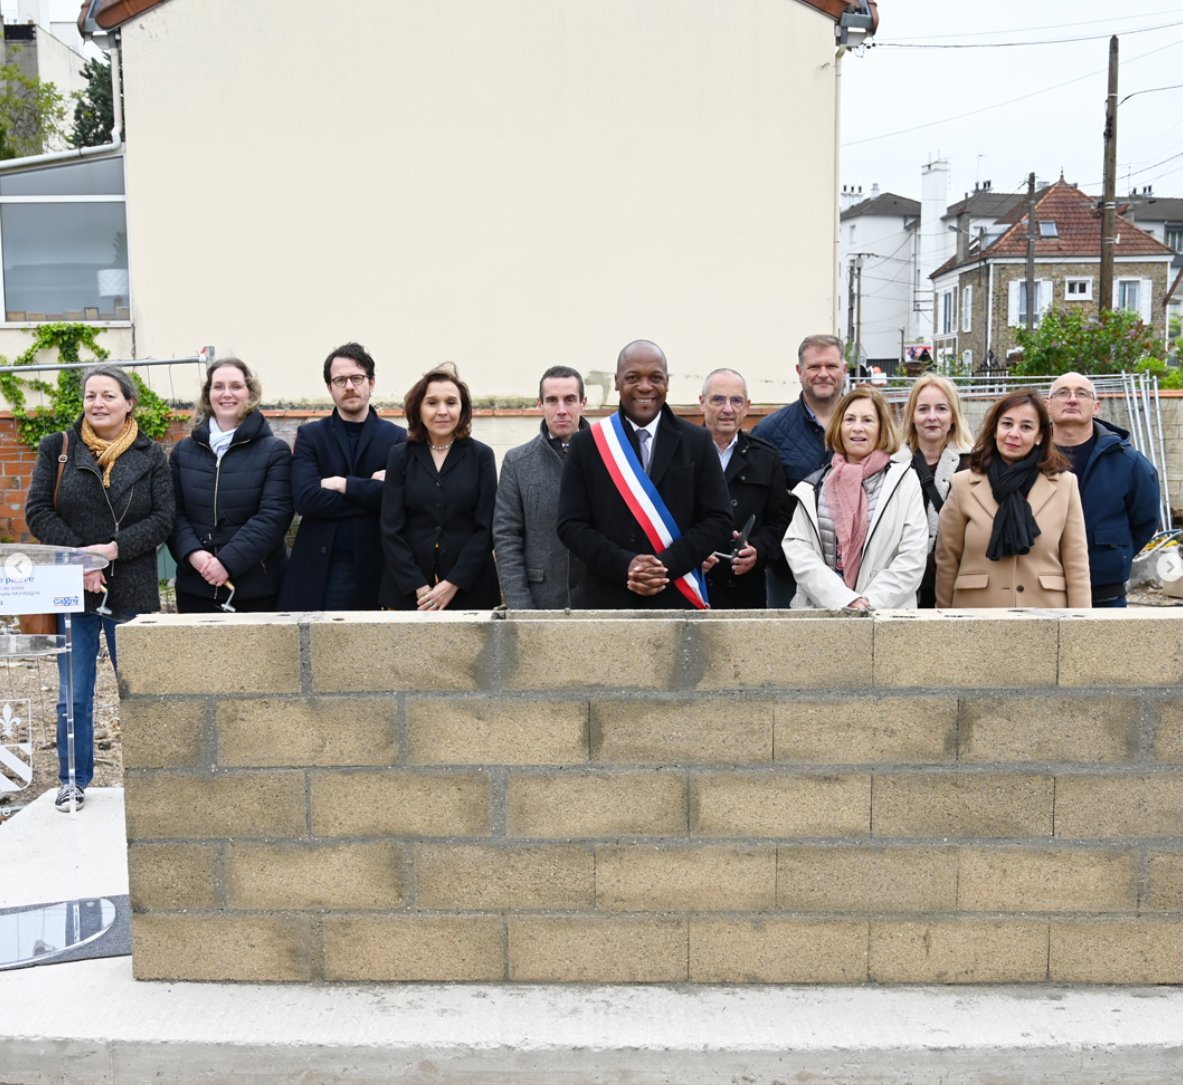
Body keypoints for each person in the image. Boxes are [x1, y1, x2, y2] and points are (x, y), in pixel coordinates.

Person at [25, 365, 174, 812]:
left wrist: (112, 550)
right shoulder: (60, 448)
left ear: (129, 402)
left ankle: (153, 781)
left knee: (142, 690)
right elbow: (37, 511)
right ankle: (73, 780)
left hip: (133, 587)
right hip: (73, 589)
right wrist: (82, 559)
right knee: (74, 693)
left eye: (108, 395)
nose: (98, 403)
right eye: (91, 395)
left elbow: (163, 520)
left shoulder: (151, 455)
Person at [556, 339, 732, 609]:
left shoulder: (697, 442)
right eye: (633, 377)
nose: (645, 387)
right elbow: (571, 525)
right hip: (609, 598)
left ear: (667, 382)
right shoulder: (587, 444)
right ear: (617, 381)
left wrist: (665, 567)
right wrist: (626, 565)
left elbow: (718, 519)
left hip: (677, 596)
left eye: (655, 377)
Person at [278, 343, 406, 610]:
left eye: (356, 378)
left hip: (376, 568)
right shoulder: (311, 436)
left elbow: (396, 500)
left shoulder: (395, 438)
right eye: (340, 380)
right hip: (320, 571)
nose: (349, 386)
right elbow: (306, 499)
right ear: (329, 388)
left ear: (371, 383)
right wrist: (369, 490)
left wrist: (341, 484)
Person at [936, 390, 1091, 609]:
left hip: (1045, 615)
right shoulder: (963, 484)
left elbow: (1076, 564)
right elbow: (947, 560)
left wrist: (1080, 624)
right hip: (976, 616)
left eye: (1026, 427)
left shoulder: (1065, 485)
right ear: (995, 430)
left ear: (1040, 436)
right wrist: (943, 621)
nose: (1014, 433)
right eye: (1007, 424)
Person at [782, 385, 927, 610]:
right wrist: (844, 600)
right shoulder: (814, 486)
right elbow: (798, 549)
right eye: (849, 419)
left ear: (882, 428)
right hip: (824, 616)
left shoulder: (905, 481)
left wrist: (868, 604)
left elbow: (912, 557)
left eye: (867, 420)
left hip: (885, 618)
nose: (857, 428)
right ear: (838, 427)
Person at [168, 358, 293, 612]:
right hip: (196, 585)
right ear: (208, 394)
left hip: (256, 588)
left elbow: (273, 517)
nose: (227, 393)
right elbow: (173, 513)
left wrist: (226, 562)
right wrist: (194, 555)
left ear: (250, 393)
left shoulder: (274, 451)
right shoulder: (183, 452)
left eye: (236, 386)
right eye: (218, 386)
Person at [379, 365, 500, 610]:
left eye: (451, 403)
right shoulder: (400, 456)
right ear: (418, 409)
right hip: (409, 591)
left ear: (462, 409)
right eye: (432, 403)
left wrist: (453, 583)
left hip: (469, 590)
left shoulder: (482, 456)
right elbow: (391, 528)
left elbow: (486, 528)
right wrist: (419, 586)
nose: (442, 411)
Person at [1047, 371, 1160, 607]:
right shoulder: (1030, 457)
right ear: (1048, 405)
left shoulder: (1128, 462)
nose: (1072, 399)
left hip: (1104, 592)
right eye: (1063, 393)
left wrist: (1116, 554)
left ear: (1096, 406)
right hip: (1040, 589)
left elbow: (1145, 522)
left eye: (1081, 394)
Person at [751, 334, 845, 606]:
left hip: (854, 569)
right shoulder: (769, 432)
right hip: (788, 573)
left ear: (844, 369)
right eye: (814, 367)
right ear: (799, 371)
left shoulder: (866, 425)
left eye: (831, 366)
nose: (823, 374)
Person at [493, 365, 589, 608]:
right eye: (552, 401)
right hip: (540, 599)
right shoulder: (517, 462)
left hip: (596, 600)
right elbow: (506, 538)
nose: (561, 410)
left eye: (569, 400)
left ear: (583, 403)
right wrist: (521, 609)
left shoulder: (608, 456)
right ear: (540, 404)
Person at [698, 367, 794, 608]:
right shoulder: (679, 453)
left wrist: (758, 551)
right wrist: (688, 554)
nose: (728, 409)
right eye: (718, 399)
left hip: (743, 593)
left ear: (747, 407)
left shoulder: (766, 458)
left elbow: (780, 520)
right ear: (702, 403)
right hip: (691, 587)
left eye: (736, 400)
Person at [904, 374, 972, 608]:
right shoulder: (892, 464)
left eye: (941, 408)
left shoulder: (974, 464)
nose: (932, 417)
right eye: (923, 409)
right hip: (903, 586)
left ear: (953, 416)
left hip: (955, 582)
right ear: (912, 416)